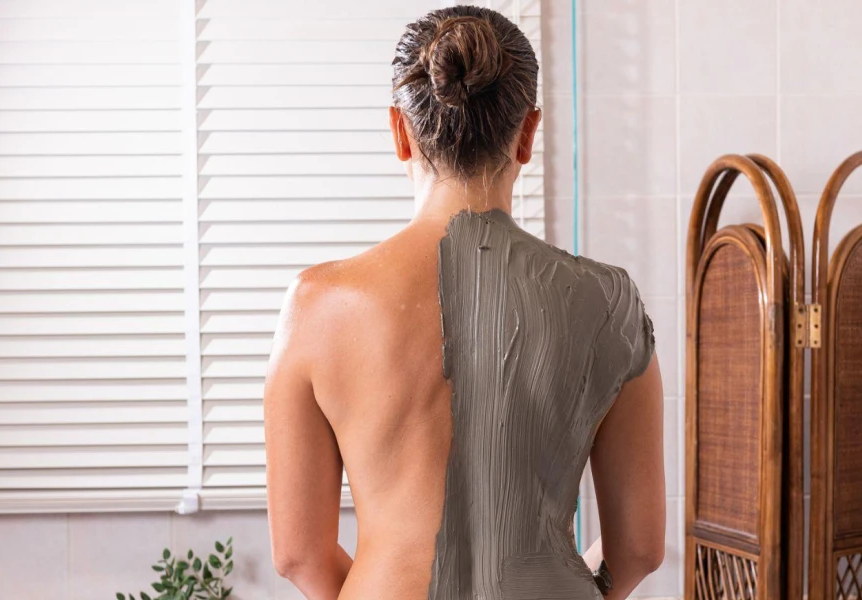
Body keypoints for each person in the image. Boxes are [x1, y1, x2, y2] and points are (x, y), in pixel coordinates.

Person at [263, 6, 665, 599]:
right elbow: (638, 549)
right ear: (527, 134)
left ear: (400, 132)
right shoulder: (609, 303)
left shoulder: (317, 306)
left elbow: (299, 555)